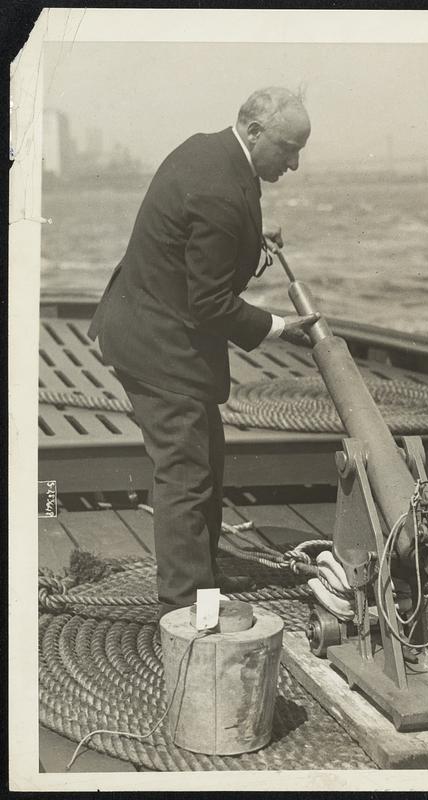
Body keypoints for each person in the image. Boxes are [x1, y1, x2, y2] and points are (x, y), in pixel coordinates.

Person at [88, 87, 318, 618]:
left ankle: (200, 585)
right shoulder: (218, 187)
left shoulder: (211, 150)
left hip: (154, 324)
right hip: (158, 345)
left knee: (205, 462)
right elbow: (211, 301)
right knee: (187, 476)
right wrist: (282, 328)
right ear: (255, 131)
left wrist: (254, 234)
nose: (295, 163)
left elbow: (208, 226)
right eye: (288, 149)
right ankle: (186, 614)